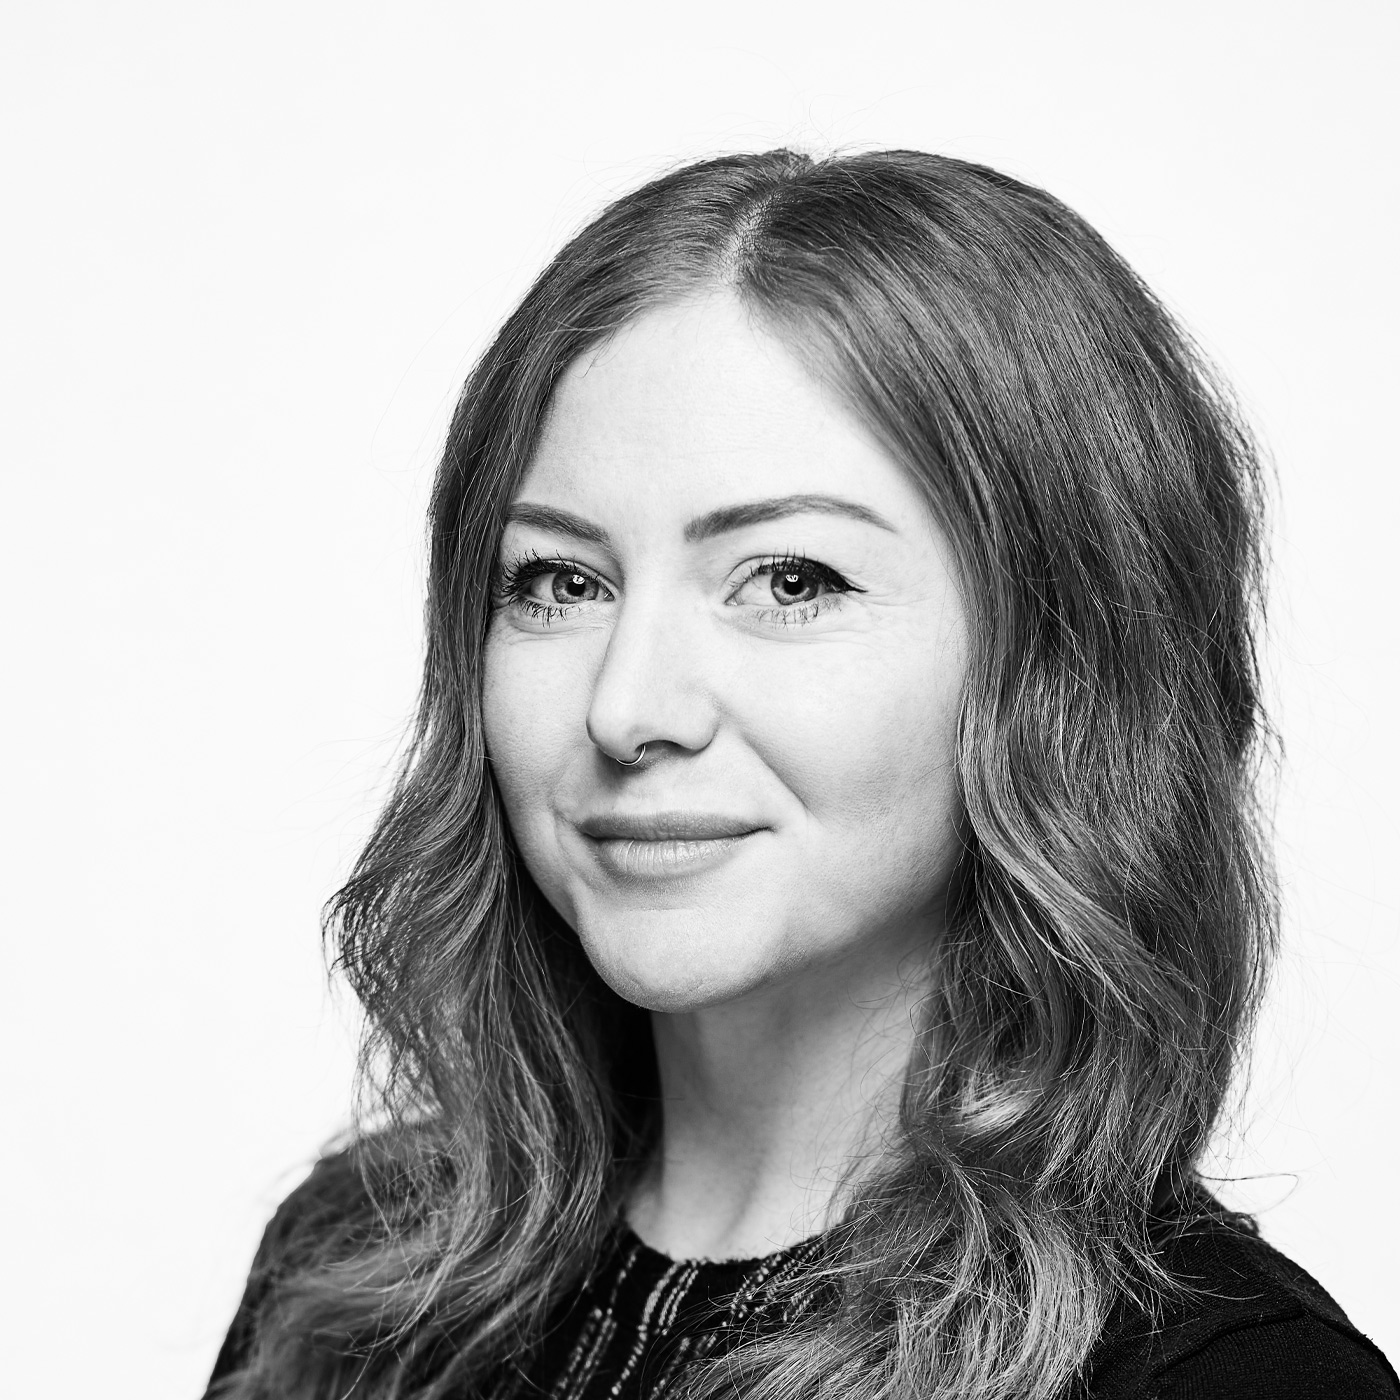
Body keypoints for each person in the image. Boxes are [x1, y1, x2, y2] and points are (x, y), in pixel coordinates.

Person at [204, 149, 1398, 1400]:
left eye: (788, 580)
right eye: (560, 580)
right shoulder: (347, 1277)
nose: (625, 707)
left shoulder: (1229, 1378)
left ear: (1064, 662)